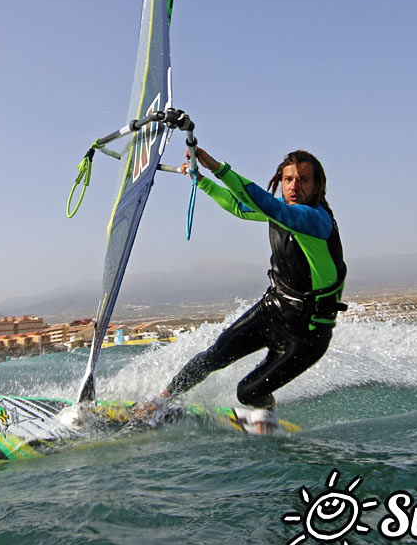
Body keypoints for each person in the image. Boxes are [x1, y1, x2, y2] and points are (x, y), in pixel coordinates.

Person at [138, 126, 347, 434]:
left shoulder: (315, 221)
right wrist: (202, 182)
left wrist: (215, 166)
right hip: (274, 309)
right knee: (214, 356)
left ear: (317, 186)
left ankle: (265, 410)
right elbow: (239, 206)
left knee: (247, 392)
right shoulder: (281, 213)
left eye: (304, 180)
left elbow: (267, 205)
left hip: (307, 334)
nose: (294, 186)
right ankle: (161, 399)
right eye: (289, 179)